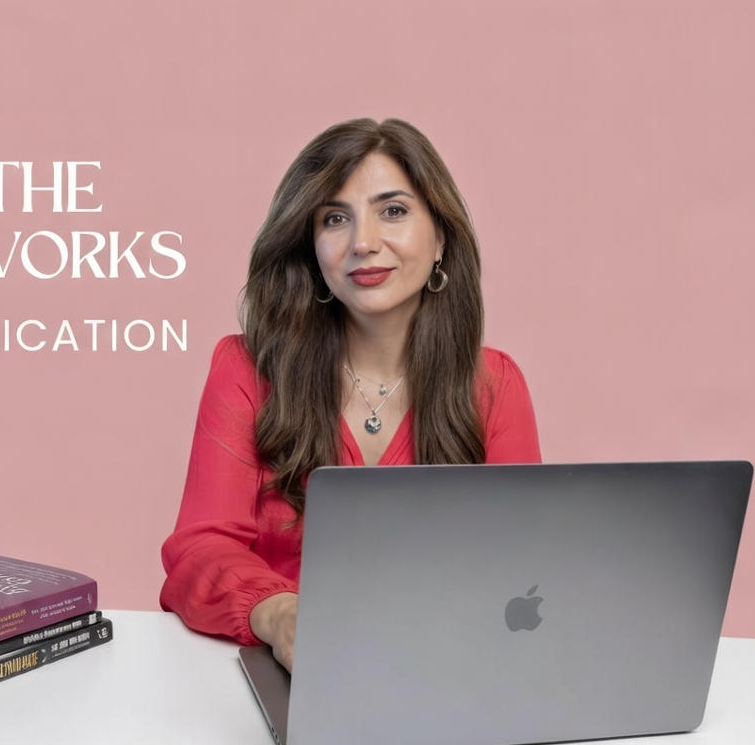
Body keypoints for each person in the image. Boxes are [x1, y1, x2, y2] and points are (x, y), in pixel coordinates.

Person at [159, 117, 541, 672]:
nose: (363, 242)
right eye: (335, 219)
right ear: (311, 249)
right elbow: (198, 550)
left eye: (394, 210)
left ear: (440, 240)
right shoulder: (245, 368)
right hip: (292, 668)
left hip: (450, 669)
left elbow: (524, 564)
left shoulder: (495, 386)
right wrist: (281, 615)